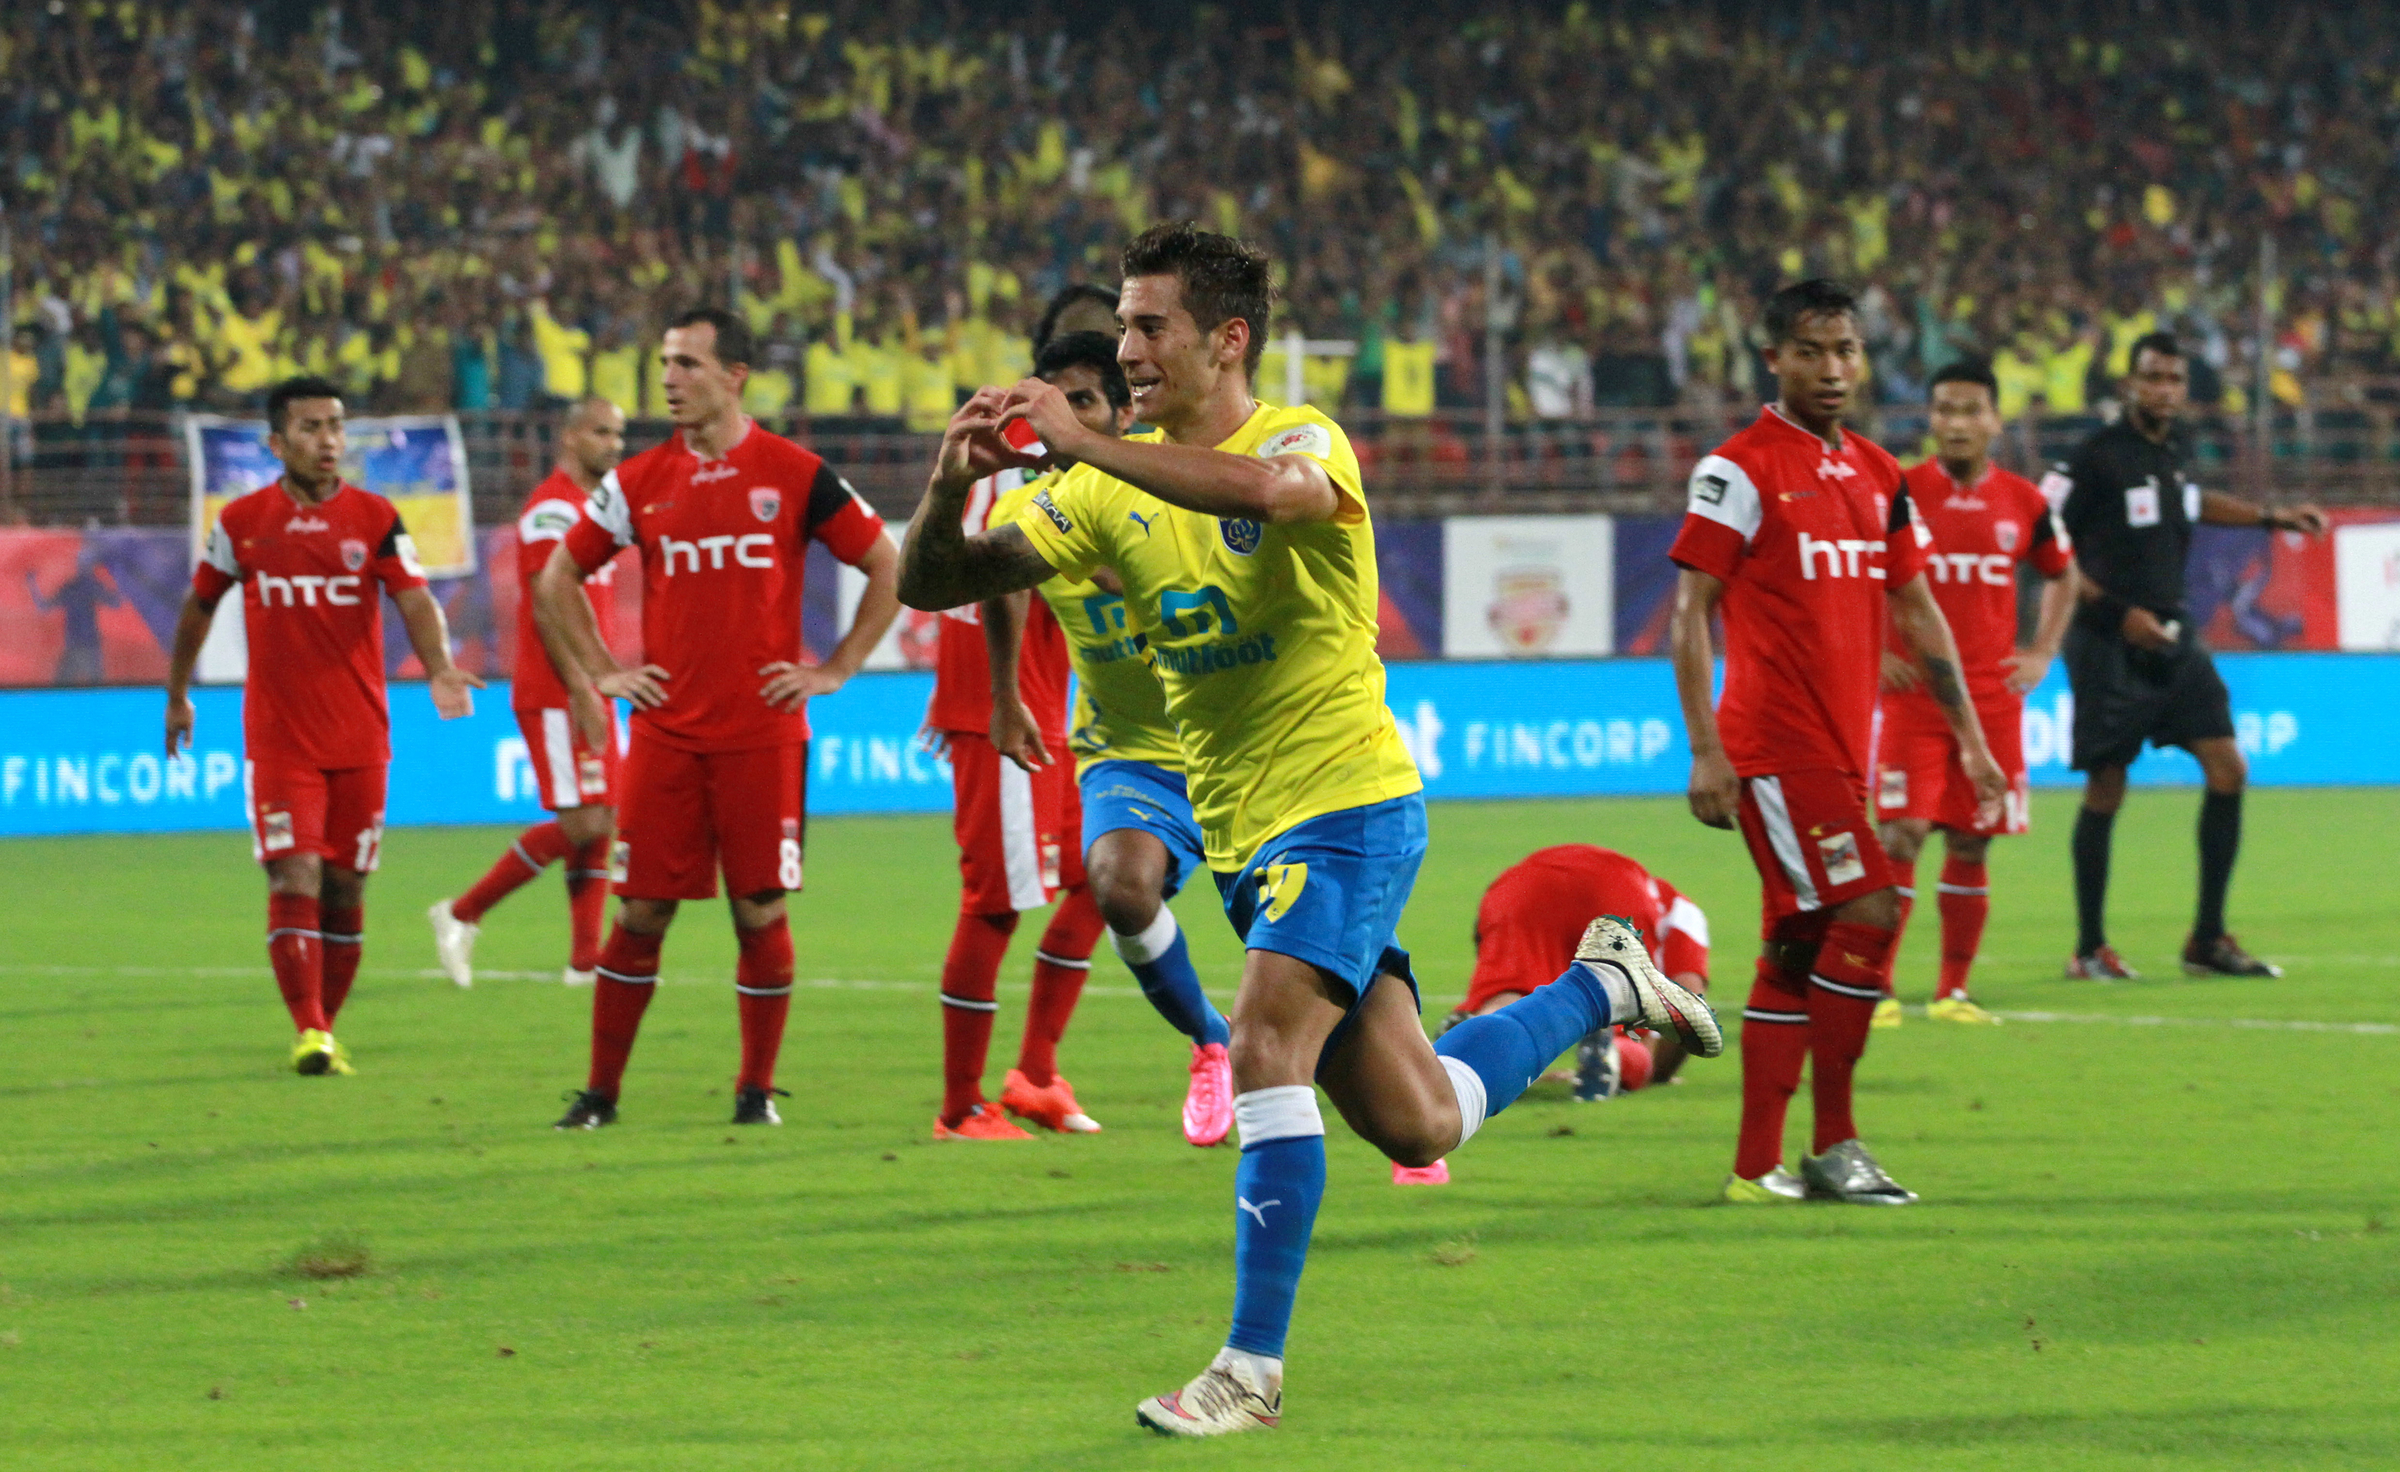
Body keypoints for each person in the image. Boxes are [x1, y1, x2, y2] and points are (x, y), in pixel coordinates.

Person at [896, 222, 1719, 1436]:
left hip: (1346, 802)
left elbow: (1275, 495)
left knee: (1265, 1045)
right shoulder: (1093, 496)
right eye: (1121, 324)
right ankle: (1603, 982)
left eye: (1148, 325)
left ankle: (1250, 1367)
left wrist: (1079, 443)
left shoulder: (1298, 438)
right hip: (1243, 832)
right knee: (1419, 1113)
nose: (1125, 348)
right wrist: (952, 482)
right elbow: (932, 585)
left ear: (1226, 340)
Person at [1668, 280, 2000, 1208]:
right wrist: (1705, 748)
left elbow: (1919, 608)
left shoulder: (1881, 474)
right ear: (1772, 357)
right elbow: (1690, 609)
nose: (1832, 369)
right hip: (1772, 748)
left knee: (1798, 942)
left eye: (1846, 350)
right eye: (1811, 350)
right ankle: (1836, 1144)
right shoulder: (1739, 469)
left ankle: (1752, 1169)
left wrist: (1971, 739)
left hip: (1843, 752)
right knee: (1871, 910)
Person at [533, 308, 900, 1129]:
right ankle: (599, 1095)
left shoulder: (795, 471)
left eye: (689, 364)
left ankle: (755, 1092)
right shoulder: (637, 482)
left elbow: (885, 564)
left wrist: (835, 668)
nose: (670, 378)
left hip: (763, 735)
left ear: (735, 375)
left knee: (759, 911)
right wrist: (602, 671)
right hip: (667, 736)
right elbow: (556, 579)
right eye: (665, 362)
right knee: (639, 914)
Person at [163, 374, 481, 1076]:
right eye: (310, 427)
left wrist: (439, 667)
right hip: (280, 739)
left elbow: (415, 599)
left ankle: (323, 1027)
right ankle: (309, 1029)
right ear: (277, 443)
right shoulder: (243, 522)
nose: (328, 439)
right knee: (293, 876)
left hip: (361, 737)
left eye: (335, 425)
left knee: (346, 887)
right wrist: (178, 694)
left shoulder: (374, 517)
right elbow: (199, 606)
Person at [987, 330, 1236, 1148]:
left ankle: (1422, 1109)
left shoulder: (1176, 481)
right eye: (1046, 403)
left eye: (1081, 403)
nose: (1058, 418)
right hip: (1129, 750)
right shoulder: (1023, 506)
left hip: (1244, 739)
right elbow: (999, 577)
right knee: (1117, 886)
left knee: (1328, 951)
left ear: (1124, 414)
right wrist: (1006, 693)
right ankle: (1211, 1042)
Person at [2047, 333, 2327, 981]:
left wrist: (2269, 517)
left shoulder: (2167, 455)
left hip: (2173, 635)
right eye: (2152, 377)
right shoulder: (2092, 458)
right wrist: (2120, 615)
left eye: (2174, 379)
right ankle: (2089, 948)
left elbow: (2192, 503)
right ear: (2130, 383)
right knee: (2107, 785)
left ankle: (2206, 939)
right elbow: (2047, 541)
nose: (2164, 389)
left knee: (2229, 766)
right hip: (2106, 638)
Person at [920, 368, 1106, 1144]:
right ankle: (960, 1108)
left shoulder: (1025, 440)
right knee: (993, 907)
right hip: (1009, 711)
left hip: (1036, 706)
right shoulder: (1032, 447)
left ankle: (1033, 1074)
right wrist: (999, 699)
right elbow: (1005, 569)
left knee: (1102, 878)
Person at [1872, 359, 2079, 1023]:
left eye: (1970, 411)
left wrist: (2043, 650)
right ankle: (1875, 988)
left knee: (1970, 841)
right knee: (1900, 834)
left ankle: (1951, 992)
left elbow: (2062, 575)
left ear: (1994, 419)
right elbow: (1849, 575)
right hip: (1913, 698)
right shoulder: (1894, 491)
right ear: (1929, 418)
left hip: (1991, 701)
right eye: (1944, 410)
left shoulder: (2024, 501)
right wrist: (1874, 649)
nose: (1956, 424)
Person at [429, 396, 629, 987]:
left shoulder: (598, 507)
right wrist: (580, 686)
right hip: (557, 689)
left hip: (590, 684)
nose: (613, 444)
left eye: (618, 434)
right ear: (569, 438)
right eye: (600, 433)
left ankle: (585, 962)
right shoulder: (551, 511)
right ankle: (462, 912)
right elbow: (546, 603)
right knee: (585, 824)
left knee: (600, 819)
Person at [1403, 844, 1712, 1186]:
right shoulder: (1682, 908)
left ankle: (1476, 1038)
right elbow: (1688, 1002)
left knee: (1508, 995)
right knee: (1623, 1005)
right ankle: (1616, 1055)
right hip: (1618, 889)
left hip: (1520, 884)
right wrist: (1658, 1073)